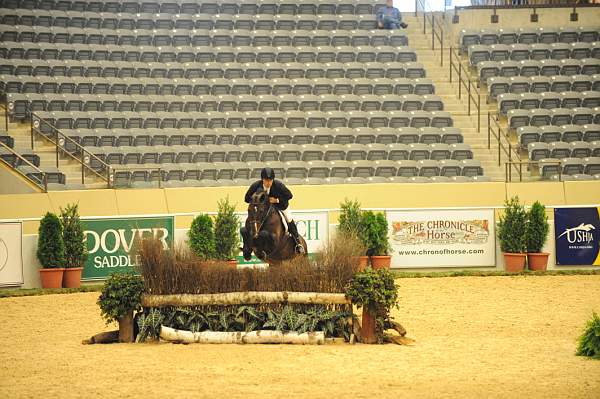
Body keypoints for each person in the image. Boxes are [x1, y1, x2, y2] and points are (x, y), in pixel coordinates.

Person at [244, 167, 305, 254]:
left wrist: (277, 200)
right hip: (264, 209)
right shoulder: (256, 186)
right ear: (262, 180)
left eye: (270, 180)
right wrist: (256, 200)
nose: (268, 183)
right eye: (266, 180)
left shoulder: (278, 185)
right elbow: (246, 198)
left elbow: (290, 195)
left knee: (289, 219)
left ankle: (298, 244)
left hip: (280, 206)